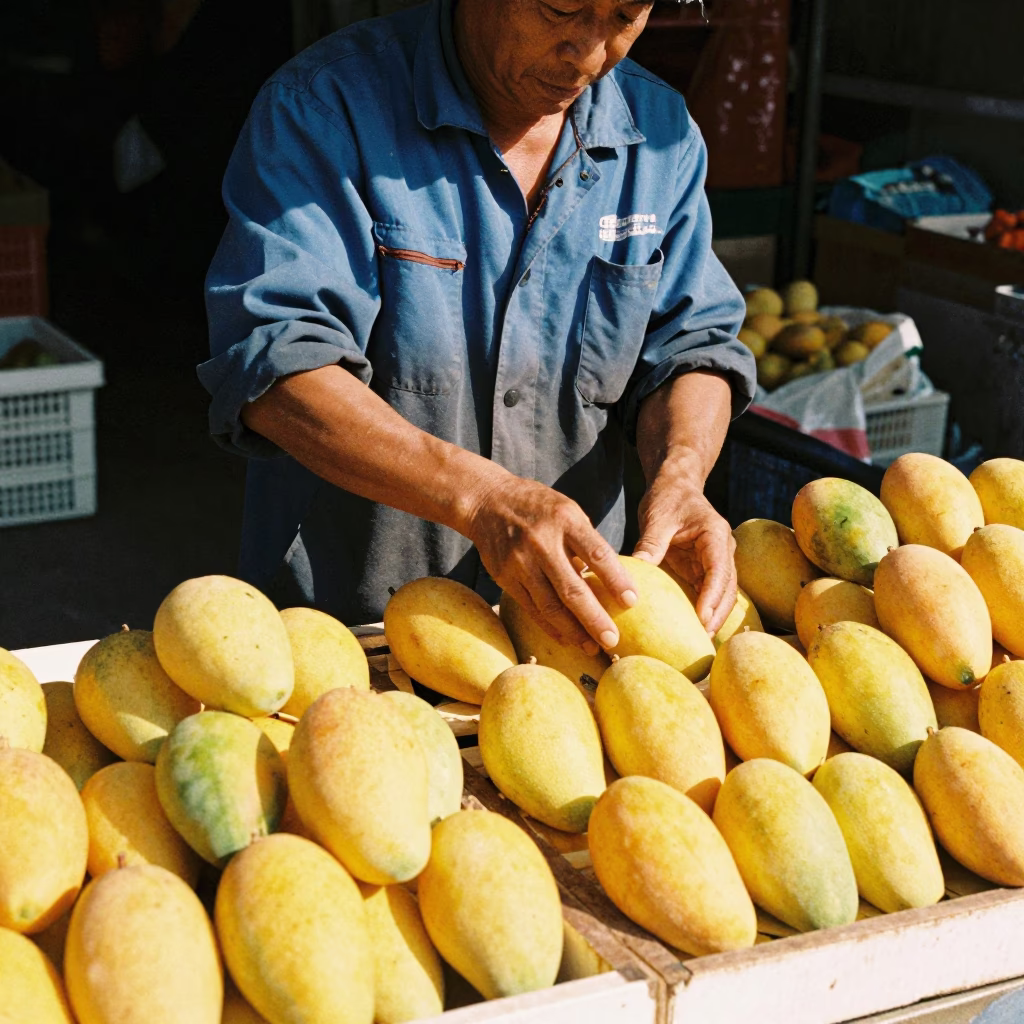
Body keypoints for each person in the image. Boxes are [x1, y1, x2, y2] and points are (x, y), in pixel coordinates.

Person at [199, 0, 757, 656]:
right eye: (561, 9)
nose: (590, 52)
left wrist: (682, 474)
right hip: (349, 638)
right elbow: (276, 366)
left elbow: (691, 346)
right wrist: (480, 499)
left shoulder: (658, 135)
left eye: (624, 15)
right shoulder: (324, 109)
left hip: (575, 633)